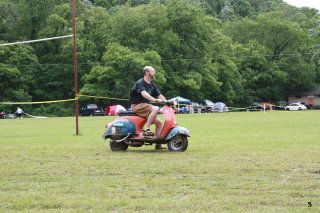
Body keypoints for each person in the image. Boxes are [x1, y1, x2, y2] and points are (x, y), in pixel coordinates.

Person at [130, 66, 167, 149]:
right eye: (153, 71)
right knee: (155, 108)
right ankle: (146, 129)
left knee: (159, 123)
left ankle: (158, 144)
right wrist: (154, 100)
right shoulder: (140, 82)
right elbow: (144, 93)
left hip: (145, 106)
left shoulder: (152, 85)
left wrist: (167, 102)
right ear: (147, 73)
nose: (155, 73)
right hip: (137, 106)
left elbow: (159, 95)